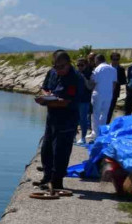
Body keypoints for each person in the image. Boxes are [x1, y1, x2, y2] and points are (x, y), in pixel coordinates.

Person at [35, 51, 78, 190]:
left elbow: (65, 102)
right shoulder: (52, 73)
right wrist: (47, 95)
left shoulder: (74, 77)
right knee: (46, 148)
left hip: (67, 118)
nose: (58, 70)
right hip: (52, 117)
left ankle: (57, 182)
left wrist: (45, 102)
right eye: (56, 66)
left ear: (69, 63)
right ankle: (46, 177)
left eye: (62, 67)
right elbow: (45, 88)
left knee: (61, 151)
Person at [89, 54, 117, 142]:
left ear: (97, 60)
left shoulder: (97, 69)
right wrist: (110, 92)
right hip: (108, 94)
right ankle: (102, 132)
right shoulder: (113, 69)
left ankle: (95, 133)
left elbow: (94, 82)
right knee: (104, 114)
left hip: (98, 93)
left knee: (95, 114)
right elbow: (114, 83)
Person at [75, 58, 94, 145]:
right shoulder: (75, 73)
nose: (79, 67)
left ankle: (83, 137)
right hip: (75, 99)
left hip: (85, 99)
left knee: (83, 119)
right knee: (74, 118)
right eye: (78, 65)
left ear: (86, 65)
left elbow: (91, 87)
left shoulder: (89, 73)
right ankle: (73, 137)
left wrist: (84, 78)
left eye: (81, 65)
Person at [107, 52, 127, 123]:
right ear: (111, 59)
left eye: (117, 59)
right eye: (114, 59)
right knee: (103, 109)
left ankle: (107, 124)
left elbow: (124, 81)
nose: (116, 61)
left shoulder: (121, 69)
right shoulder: (106, 68)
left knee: (110, 109)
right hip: (105, 91)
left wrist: (116, 81)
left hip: (115, 92)